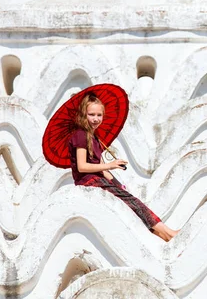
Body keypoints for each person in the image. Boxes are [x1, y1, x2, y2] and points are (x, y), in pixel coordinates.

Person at [69, 93, 178, 241]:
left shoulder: (94, 137)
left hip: (100, 180)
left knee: (132, 202)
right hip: (89, 182)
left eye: (99, 115)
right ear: (84, 114)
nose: (96, 119)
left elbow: (101, 169)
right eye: (91, 114)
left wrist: (118, 184)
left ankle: (164, 234)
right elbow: (82, 166)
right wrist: (110, 165)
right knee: (132, 204)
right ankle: (169, 233)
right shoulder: (80, 135)